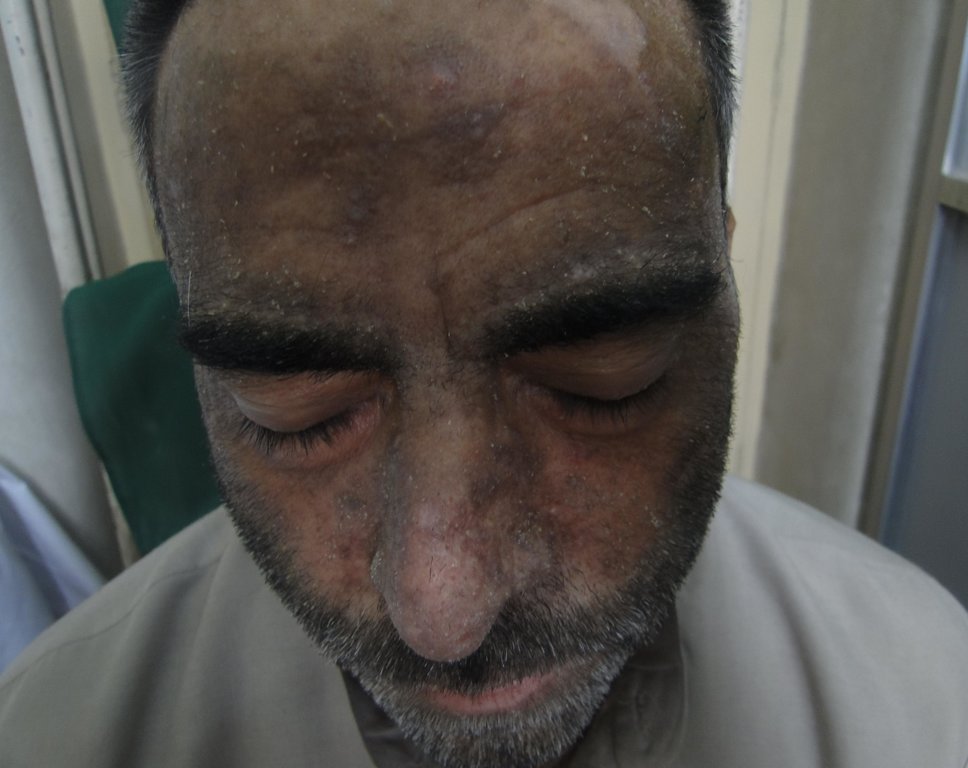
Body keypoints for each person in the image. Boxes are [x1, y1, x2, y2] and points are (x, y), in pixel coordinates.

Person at [1, 0, 967, 765]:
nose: (444, 610)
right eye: (301, 411)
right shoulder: (50, 736)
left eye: (598, 380)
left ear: (723, 269)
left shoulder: (927, 705)